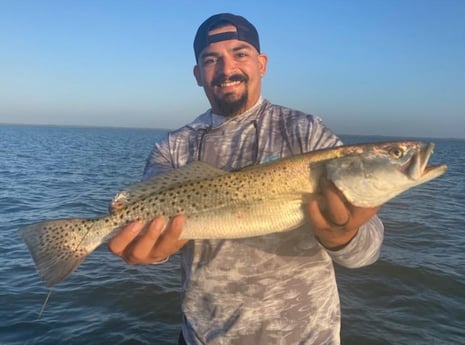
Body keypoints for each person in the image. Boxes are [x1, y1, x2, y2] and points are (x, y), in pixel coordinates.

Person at [108, 13, 384, 345]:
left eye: (240, 54)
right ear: (198, 74)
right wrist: (151, 251)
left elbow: (365, 253)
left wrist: (343, 236)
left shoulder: (307, 133)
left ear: (262, 63)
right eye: (212, 60)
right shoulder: (172, 148)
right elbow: (150, 231)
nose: (227, 70)